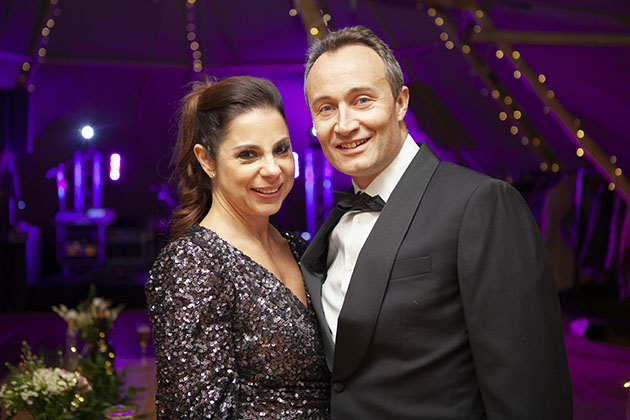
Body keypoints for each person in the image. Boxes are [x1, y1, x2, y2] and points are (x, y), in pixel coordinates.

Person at [300, 25, 573, 419]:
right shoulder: (333, 226)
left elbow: (529, 392)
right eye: (326, 108)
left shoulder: (480, 205)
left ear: (400, 102)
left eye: (362, 100)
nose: (343, 124)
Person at [145, 76, 330, 419]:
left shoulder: (297, 247)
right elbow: (195, 413)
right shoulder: (193, 263)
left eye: (281, 149)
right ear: (207, 161)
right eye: (248, 155)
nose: (273, 170)